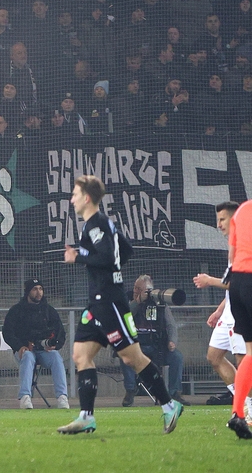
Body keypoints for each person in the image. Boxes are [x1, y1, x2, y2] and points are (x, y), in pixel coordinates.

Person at [59, 175, 183, 434]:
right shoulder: (103, 224)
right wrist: (111, 271)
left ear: (87, 198)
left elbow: (105, 256)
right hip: (97, 302)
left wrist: (78, 255)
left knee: (131, 357)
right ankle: (86, 417)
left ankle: (169, 406)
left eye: (75, 194)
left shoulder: (96, 224)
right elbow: (125, 250)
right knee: (81, 356)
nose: (71, 199)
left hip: (110, 302)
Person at [194, 201, 252, 418]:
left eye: (222, 219)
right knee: (214, 356)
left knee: (244, 358)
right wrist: (219, 310)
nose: (218, 224)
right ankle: (242, 403)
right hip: (232, 306)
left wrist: (209, 280)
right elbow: (235, 282)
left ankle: (246, 408)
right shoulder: (236, 239)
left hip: (239, 304)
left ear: (234, 218)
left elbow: (236, 280)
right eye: (217, 220)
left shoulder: (242, 234)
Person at [119, 275, 188, 407]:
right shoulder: (128, 300)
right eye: (135, 288)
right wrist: (138, 301)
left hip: (157, 347)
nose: (135, 291)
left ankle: (175, 392)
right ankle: (130, 390)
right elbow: (125, 316)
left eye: (139, 289)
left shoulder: (159, 303)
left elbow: (171, 325)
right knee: (125, 356)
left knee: (177, 357)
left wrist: (172, 341)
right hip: (136, 347)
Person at [2, 278, 69, 409]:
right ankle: (25, 397)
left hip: (44, 350)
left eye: (40, 289)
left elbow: (60, 332)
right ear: (28, 292)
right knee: (27, 357)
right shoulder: (16, 310)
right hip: (25, 349)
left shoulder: (49, 310)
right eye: (35, 289)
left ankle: (62, 397)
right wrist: (19, 346)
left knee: (56, 357)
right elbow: (7, 333)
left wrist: (55, 345)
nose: (38, 292)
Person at [222, 199, 252, 438]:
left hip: (238, 283)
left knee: (251, 353)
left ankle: (237, 414)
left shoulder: (242, 210)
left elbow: (232, 254)